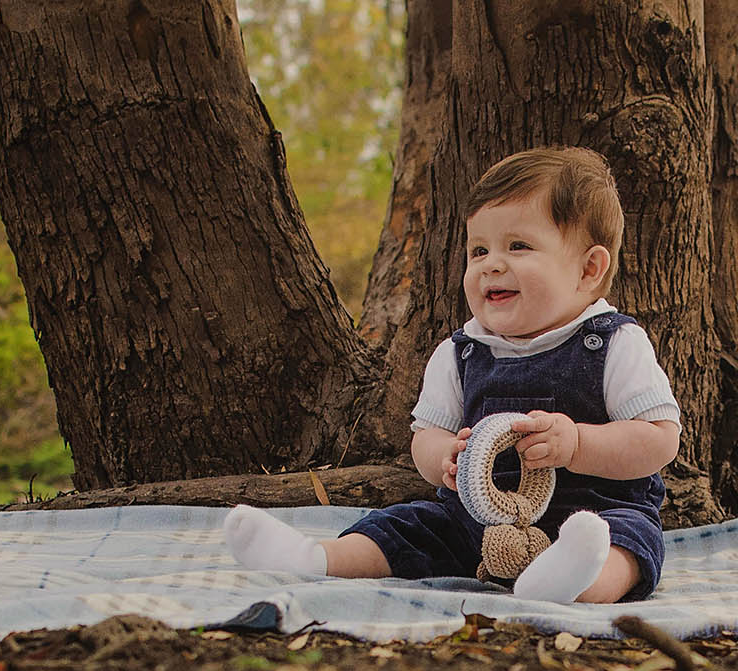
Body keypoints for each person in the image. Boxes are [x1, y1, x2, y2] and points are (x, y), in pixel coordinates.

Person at [224, 146, 680, 604]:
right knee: (409, 525)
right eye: (479, 250)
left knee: (630, 541)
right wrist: (445, 457)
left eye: (518, 246)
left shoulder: (612, 343)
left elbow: (660, 439)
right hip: (476, 526)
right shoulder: (460, 353)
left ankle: (573, 580)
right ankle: (316, 558)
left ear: (588, 268)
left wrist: (579, 444)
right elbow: (426, 437)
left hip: (594, 512)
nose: (491, 264)